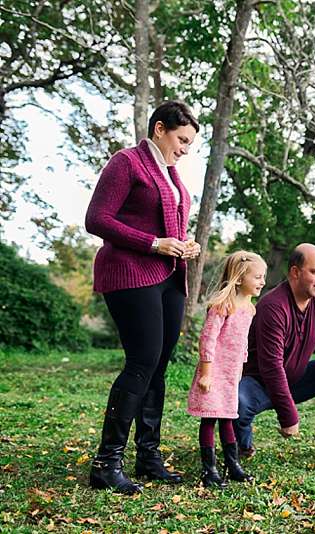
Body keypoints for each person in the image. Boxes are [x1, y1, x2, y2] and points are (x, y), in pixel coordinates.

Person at [85, 101, 201, 494]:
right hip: (129, 273)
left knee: (158, 367)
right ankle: (106, 462)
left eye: (189, 143)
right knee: (141, 362)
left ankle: (148, 456)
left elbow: (166, 225)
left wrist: (182, 245)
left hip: (168, 277)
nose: (185, 148)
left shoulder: (169, 173)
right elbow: (96, 219)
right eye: (181, 139)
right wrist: (154, 244)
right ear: (159, 130)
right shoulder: (127, 162)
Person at [234, 243, 315, 461]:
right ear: (295, 272)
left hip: (296, 378)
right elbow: (271, 368)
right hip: (260, 383)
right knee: (238, 400)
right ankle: (242, 447)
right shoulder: (272, 307)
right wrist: (289, 417)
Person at [186, 251, 266, 487]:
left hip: (231, 374)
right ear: (240, 278)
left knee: (228, 418)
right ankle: (209, 470)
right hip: (214, 372)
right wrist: (206, 373)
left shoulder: (250, 309)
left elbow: (242, 344)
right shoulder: (223, 306)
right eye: (258, 277)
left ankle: (233, 465)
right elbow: (208, 339)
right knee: (210, 419)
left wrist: (240, 369)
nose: (262, 282)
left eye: (263, 277)